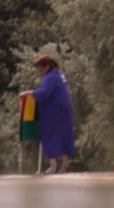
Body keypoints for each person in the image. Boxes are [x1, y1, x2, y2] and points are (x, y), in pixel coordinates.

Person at [23, 46, 75, 176]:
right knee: (63, 135)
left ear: (46, 67)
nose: (38, 71)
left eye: (39, 68)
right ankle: (64, 164)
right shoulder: (59, 75)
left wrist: (29, 93)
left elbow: (45, 93)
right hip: (64, 109)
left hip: (54, 111)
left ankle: (53, 166)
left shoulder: (50, 77)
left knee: (48, 134)